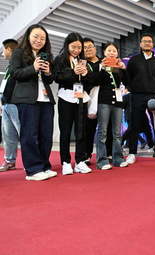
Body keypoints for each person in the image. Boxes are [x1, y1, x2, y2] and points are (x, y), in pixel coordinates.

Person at [10, 24, 56, 181]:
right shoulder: (18, 53)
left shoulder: (46, 56)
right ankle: (33, 170)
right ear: (28, 36)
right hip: (27, 100)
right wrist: (33, 68)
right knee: (29, 134)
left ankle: (44, 165)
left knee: (46, 135)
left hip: (46, 100)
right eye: (36, 36)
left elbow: (49, 80)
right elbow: (14, 73)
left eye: (42, 38)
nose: (39, 40)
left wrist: (49, 72)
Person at [125, 33, 155, 164]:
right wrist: (133, 89)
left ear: (152, 45)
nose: (147, 43)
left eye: (150, 42)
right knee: (135, 124)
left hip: (154, 95)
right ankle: (132, 153)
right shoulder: (134, 60)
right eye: (144, 41)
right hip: (137, 95)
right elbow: (128, 77)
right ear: (140, 44)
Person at [54, 32, 93, 175]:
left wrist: (85, 75)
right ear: (67, 45)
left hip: (81, 97)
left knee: (81, 130)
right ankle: (65, 162)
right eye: (73, 47)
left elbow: (90, 82)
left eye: (79, 47)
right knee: (65, 131)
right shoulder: (60, 59)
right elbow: (56, 77)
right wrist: (73, 72)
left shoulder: (83, 61)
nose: (76, 50)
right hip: (65, 97)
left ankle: (80, 161)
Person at [95, 42, 129, 169]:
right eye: (109, 50)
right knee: (102, 132)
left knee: (117, 133)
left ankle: (118, 158)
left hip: (118, 102)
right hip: (104, 101)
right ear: (104, 52)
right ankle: (102, 160)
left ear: (117, 53)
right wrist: (102, 68)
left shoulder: (119, 67)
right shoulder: (101, 66)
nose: (111, 53)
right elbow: (96, 81)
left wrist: (123, 69)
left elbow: (127, 83)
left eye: (114, 51)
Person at [83, 37, 112, 165]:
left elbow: (111, 78)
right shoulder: (82, 63)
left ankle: (109, 153)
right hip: (89, 99)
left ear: (95, 48)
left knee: (107, 127)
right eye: (85, 48)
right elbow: (88, 81)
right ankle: (86, 155)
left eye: (90, 47)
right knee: (88, 128)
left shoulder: (104, 61)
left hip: (105, 98)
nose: (88, 50)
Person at [0, 39, 19, 172]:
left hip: (16, 104)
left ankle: (33, 160)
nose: (2, 53)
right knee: (8, 135)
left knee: (24, 134)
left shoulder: (18, 66)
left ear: (9, 50)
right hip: (6, 104)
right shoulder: (8, 67)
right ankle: (10, 160)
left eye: (3, 50)